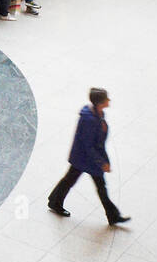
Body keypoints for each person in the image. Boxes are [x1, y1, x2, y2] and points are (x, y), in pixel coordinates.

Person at [47, 88, 130, 225]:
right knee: (98, 187)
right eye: (106, 99)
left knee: (71, 180)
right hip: (85, 158)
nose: (109, 100)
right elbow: (89, 146)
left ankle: (54, 201)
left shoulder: (98, 114)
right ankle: (113, 216)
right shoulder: (90, 120)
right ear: (99, 103)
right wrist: (101, 162)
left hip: (84, 157)